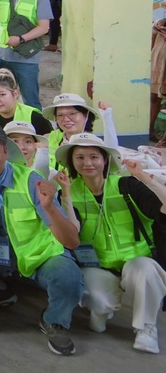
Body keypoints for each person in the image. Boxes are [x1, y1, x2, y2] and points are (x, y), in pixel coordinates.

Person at [0, 120, 83, 356]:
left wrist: (50, 207)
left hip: (37, 256)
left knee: (68, 275)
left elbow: (72, 242)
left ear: (5, 151)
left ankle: (54, 320)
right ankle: (0, 290)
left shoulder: (31, 180)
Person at [55, 133, 166, 353]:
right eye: (80, 157)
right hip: (97, 265)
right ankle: (101, 309)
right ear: (72, 162)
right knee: (97, 304)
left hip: (137, 260)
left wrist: (143, 176)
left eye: (94, 156)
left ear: (105, 160)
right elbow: (72, 234)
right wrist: (66, 196)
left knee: (145, 270)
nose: (87, 163)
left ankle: (146, 327)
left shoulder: (127, 185)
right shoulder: (69, 192)